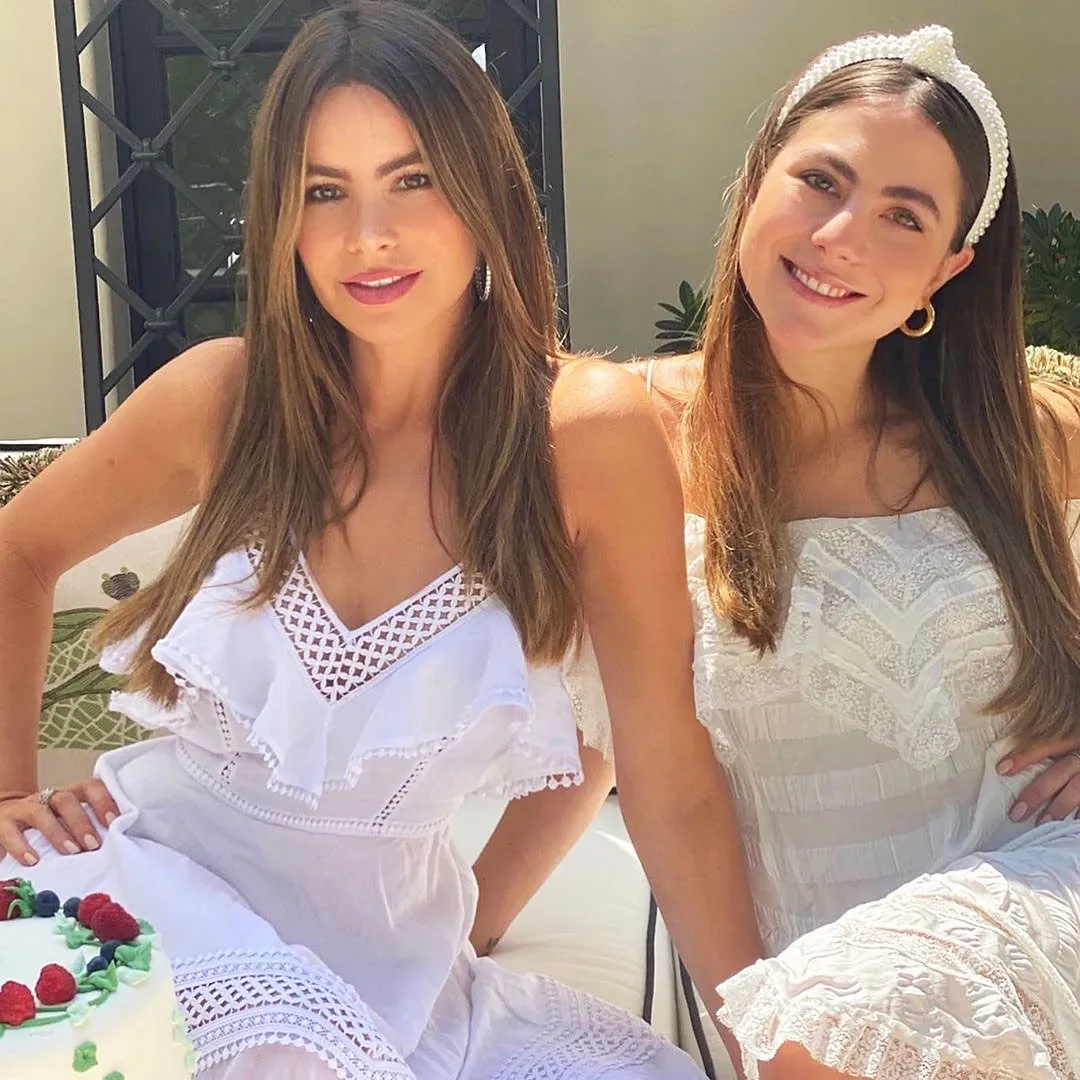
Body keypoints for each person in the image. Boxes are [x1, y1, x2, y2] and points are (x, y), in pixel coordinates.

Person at [0, 3, 752, 1077]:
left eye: (414, 179)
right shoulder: (227, 398)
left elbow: (653, 770)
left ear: (486, 189)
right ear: (282, 218)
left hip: (396, 970)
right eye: (324, 191)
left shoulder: (583, 434)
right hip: (150, 892)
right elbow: (17, 548)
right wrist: (8, 793)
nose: (369, 237)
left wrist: (762, 1047)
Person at [605, 24, 1080, 1080]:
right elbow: (665, 782)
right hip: (802, 998)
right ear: (753, 180)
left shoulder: (1022, 440)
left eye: (903, 216)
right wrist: (760, 1037)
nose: (839, 237)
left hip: (1036, 904)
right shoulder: (623, 436)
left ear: (948, 270)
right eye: (820, 181)